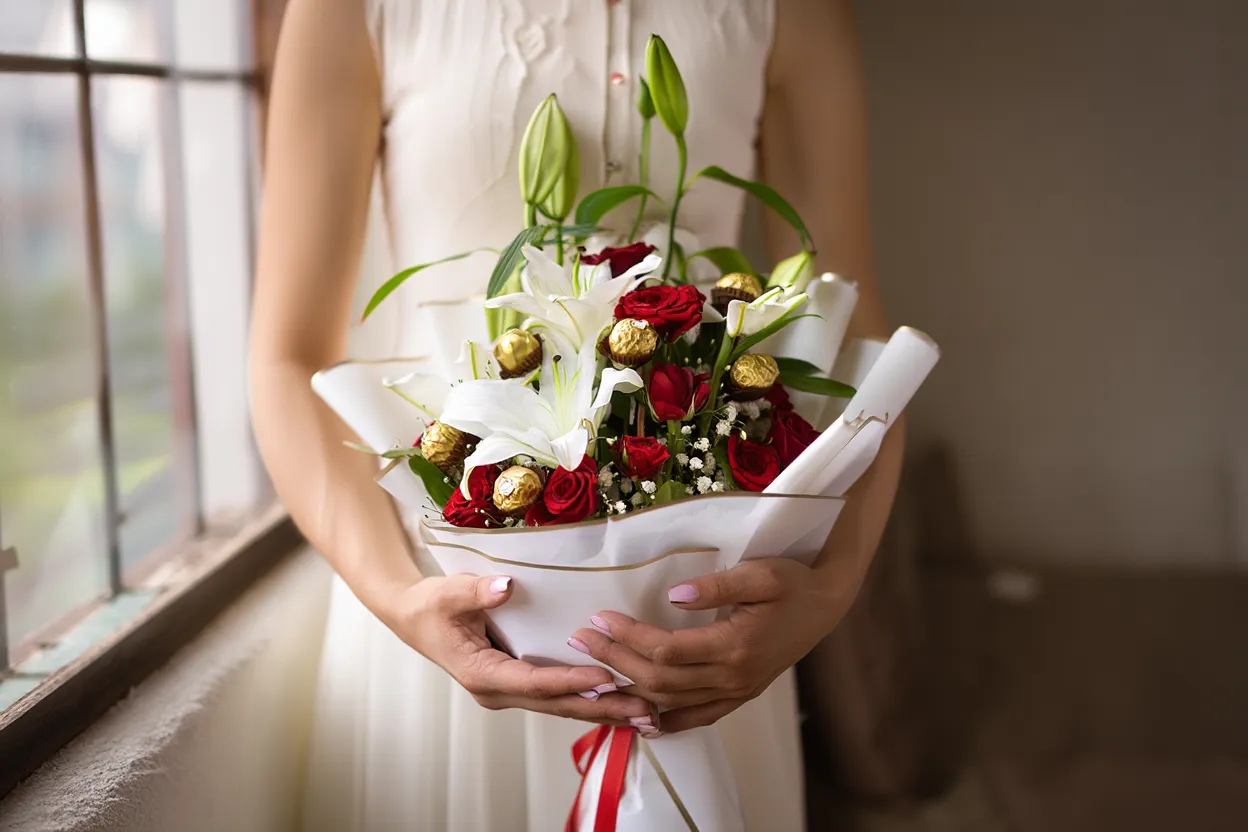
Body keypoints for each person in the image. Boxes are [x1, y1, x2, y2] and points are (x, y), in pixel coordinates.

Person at [249, 0, 904, 828]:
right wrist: (401, 599)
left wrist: (828, 593)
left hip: (701, 633)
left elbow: (855, 339)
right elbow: (287, 359)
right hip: (444, 602)